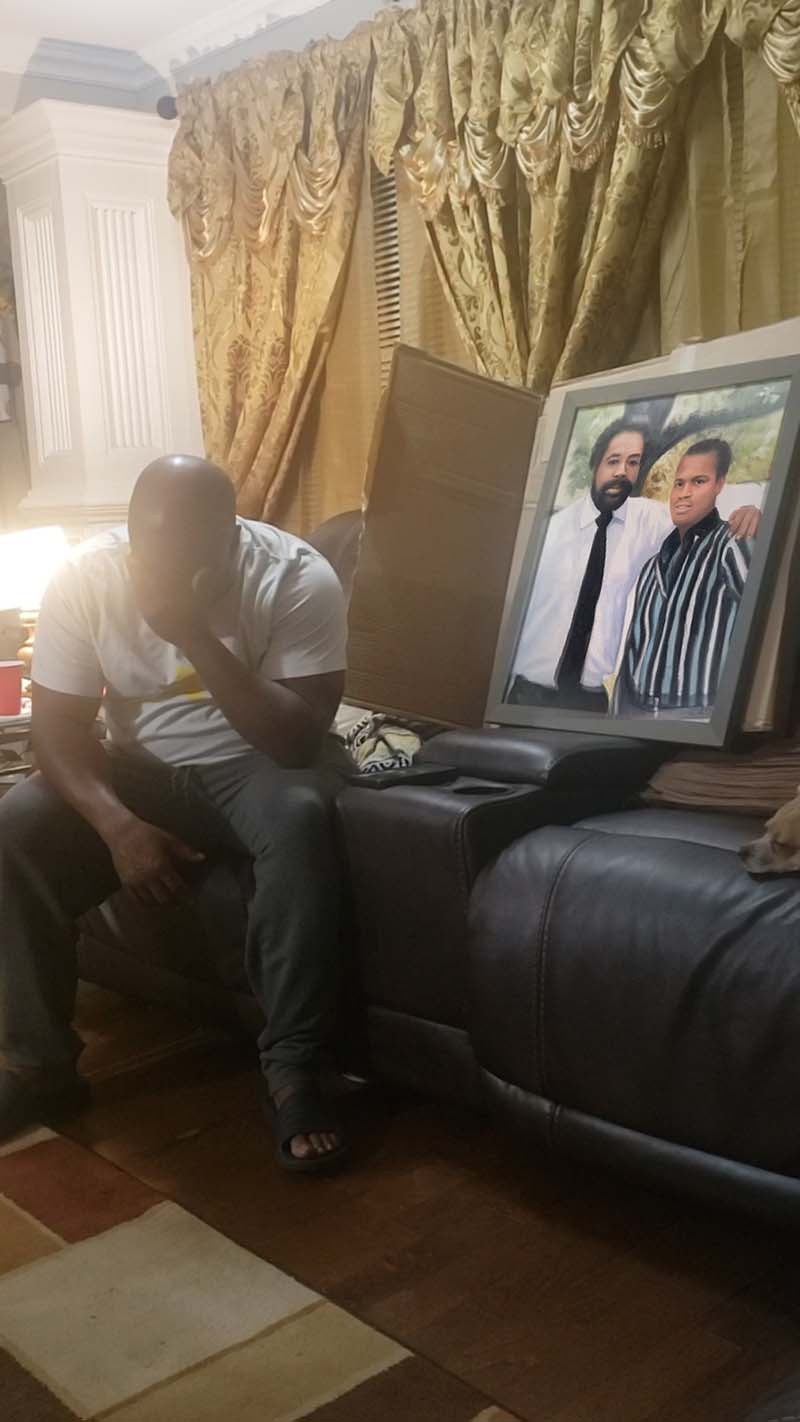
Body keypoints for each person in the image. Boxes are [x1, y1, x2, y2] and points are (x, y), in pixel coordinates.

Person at [0, 455, 352, 1174]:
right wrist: (116, 826)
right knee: (15, 827)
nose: (159, 575)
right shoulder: (86, 576)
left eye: (190, 560)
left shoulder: (295, 575)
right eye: (147, 557)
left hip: (254, 764)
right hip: (135, 768)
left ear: (232, 535)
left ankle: (294, 1070)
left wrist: (192, 632)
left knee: (300, 818)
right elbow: (58, 731)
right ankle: (41, 1066)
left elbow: (295, 740)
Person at [507, 419, 760, 713]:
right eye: (613, 461)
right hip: (528, 694)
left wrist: (753, 511)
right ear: (595, 463)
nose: (621, 472)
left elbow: (700, 511)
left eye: (633, 463)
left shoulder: (648, 521)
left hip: (591, 701)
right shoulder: (551, 530)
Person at [612, 438, 751, 716]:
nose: (684, 493)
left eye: (699, 482)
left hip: (699, 715)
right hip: (638, 714)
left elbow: (763, 630)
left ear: (719, 485)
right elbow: (633, 651)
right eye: (679, 483)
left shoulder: (732, 544)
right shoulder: (652, 567)